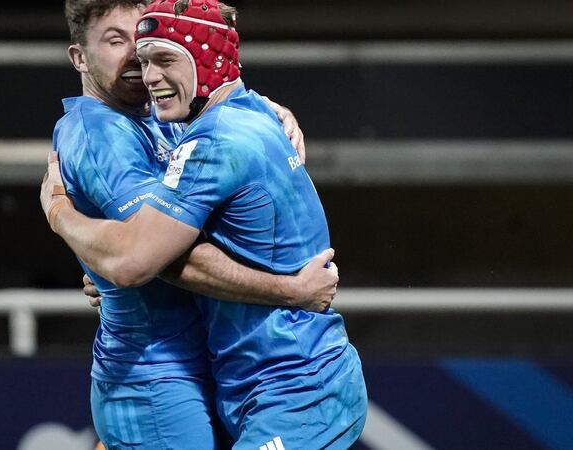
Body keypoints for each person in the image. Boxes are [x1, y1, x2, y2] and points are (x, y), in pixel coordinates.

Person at [43, 1, 368, 449]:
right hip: (153, 375)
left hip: (268, 376)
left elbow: (144, 252)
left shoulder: (183, 121)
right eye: (117, 42)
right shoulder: (102, 135)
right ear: (79, 57)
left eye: (150, 47)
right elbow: (138, 258)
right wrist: (61, 216)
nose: (140, 62)